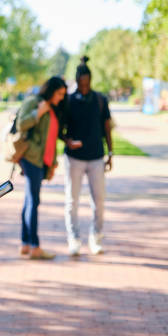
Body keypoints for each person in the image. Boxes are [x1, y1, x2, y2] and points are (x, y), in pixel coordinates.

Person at [62, 56, 113, 256]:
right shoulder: (69, 100)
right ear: (76, 81)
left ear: (91, 81)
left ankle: (96, 237)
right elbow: (60, 129)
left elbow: (107, 127)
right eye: (81, 83)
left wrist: (110, 152)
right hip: (74, 158)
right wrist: (67, 141)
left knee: (98, 200)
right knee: (72, 200)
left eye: (87, 83)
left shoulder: (100, 100)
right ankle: (73, 239)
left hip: (96, 157)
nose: (84, 87)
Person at [15, 76, 67, 260]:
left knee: (30, 200)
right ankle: (34, 246)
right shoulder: (34, 102)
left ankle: (25, 244)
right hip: (31, 159)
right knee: (33, 201)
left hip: (42, 162)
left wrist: (52, 164)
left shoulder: (53, 109)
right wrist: (38, 113)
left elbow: (51, 139)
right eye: (59, 93)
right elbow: (21, 124)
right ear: (51, 90)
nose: (61, 97)